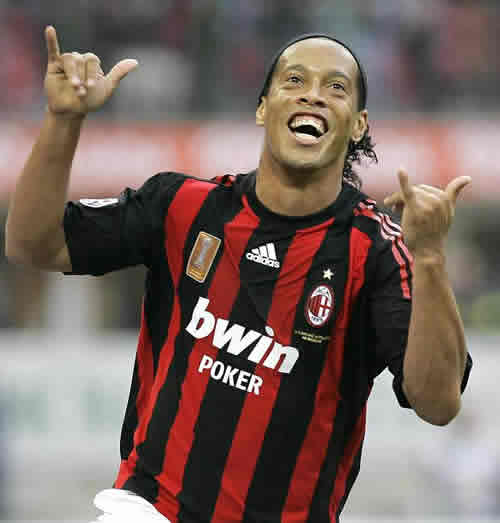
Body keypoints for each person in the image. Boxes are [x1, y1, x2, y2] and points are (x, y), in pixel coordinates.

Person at [5, 26, 472, 523]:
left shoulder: (376, 251)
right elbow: (33, 244)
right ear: (263, 108)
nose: (313, 94)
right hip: (150, 510)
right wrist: (62, 120)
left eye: (335, 87)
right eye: (295, 80)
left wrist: (429, 258)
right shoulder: (182, 207)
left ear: (358, 125)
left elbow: (438, 403)